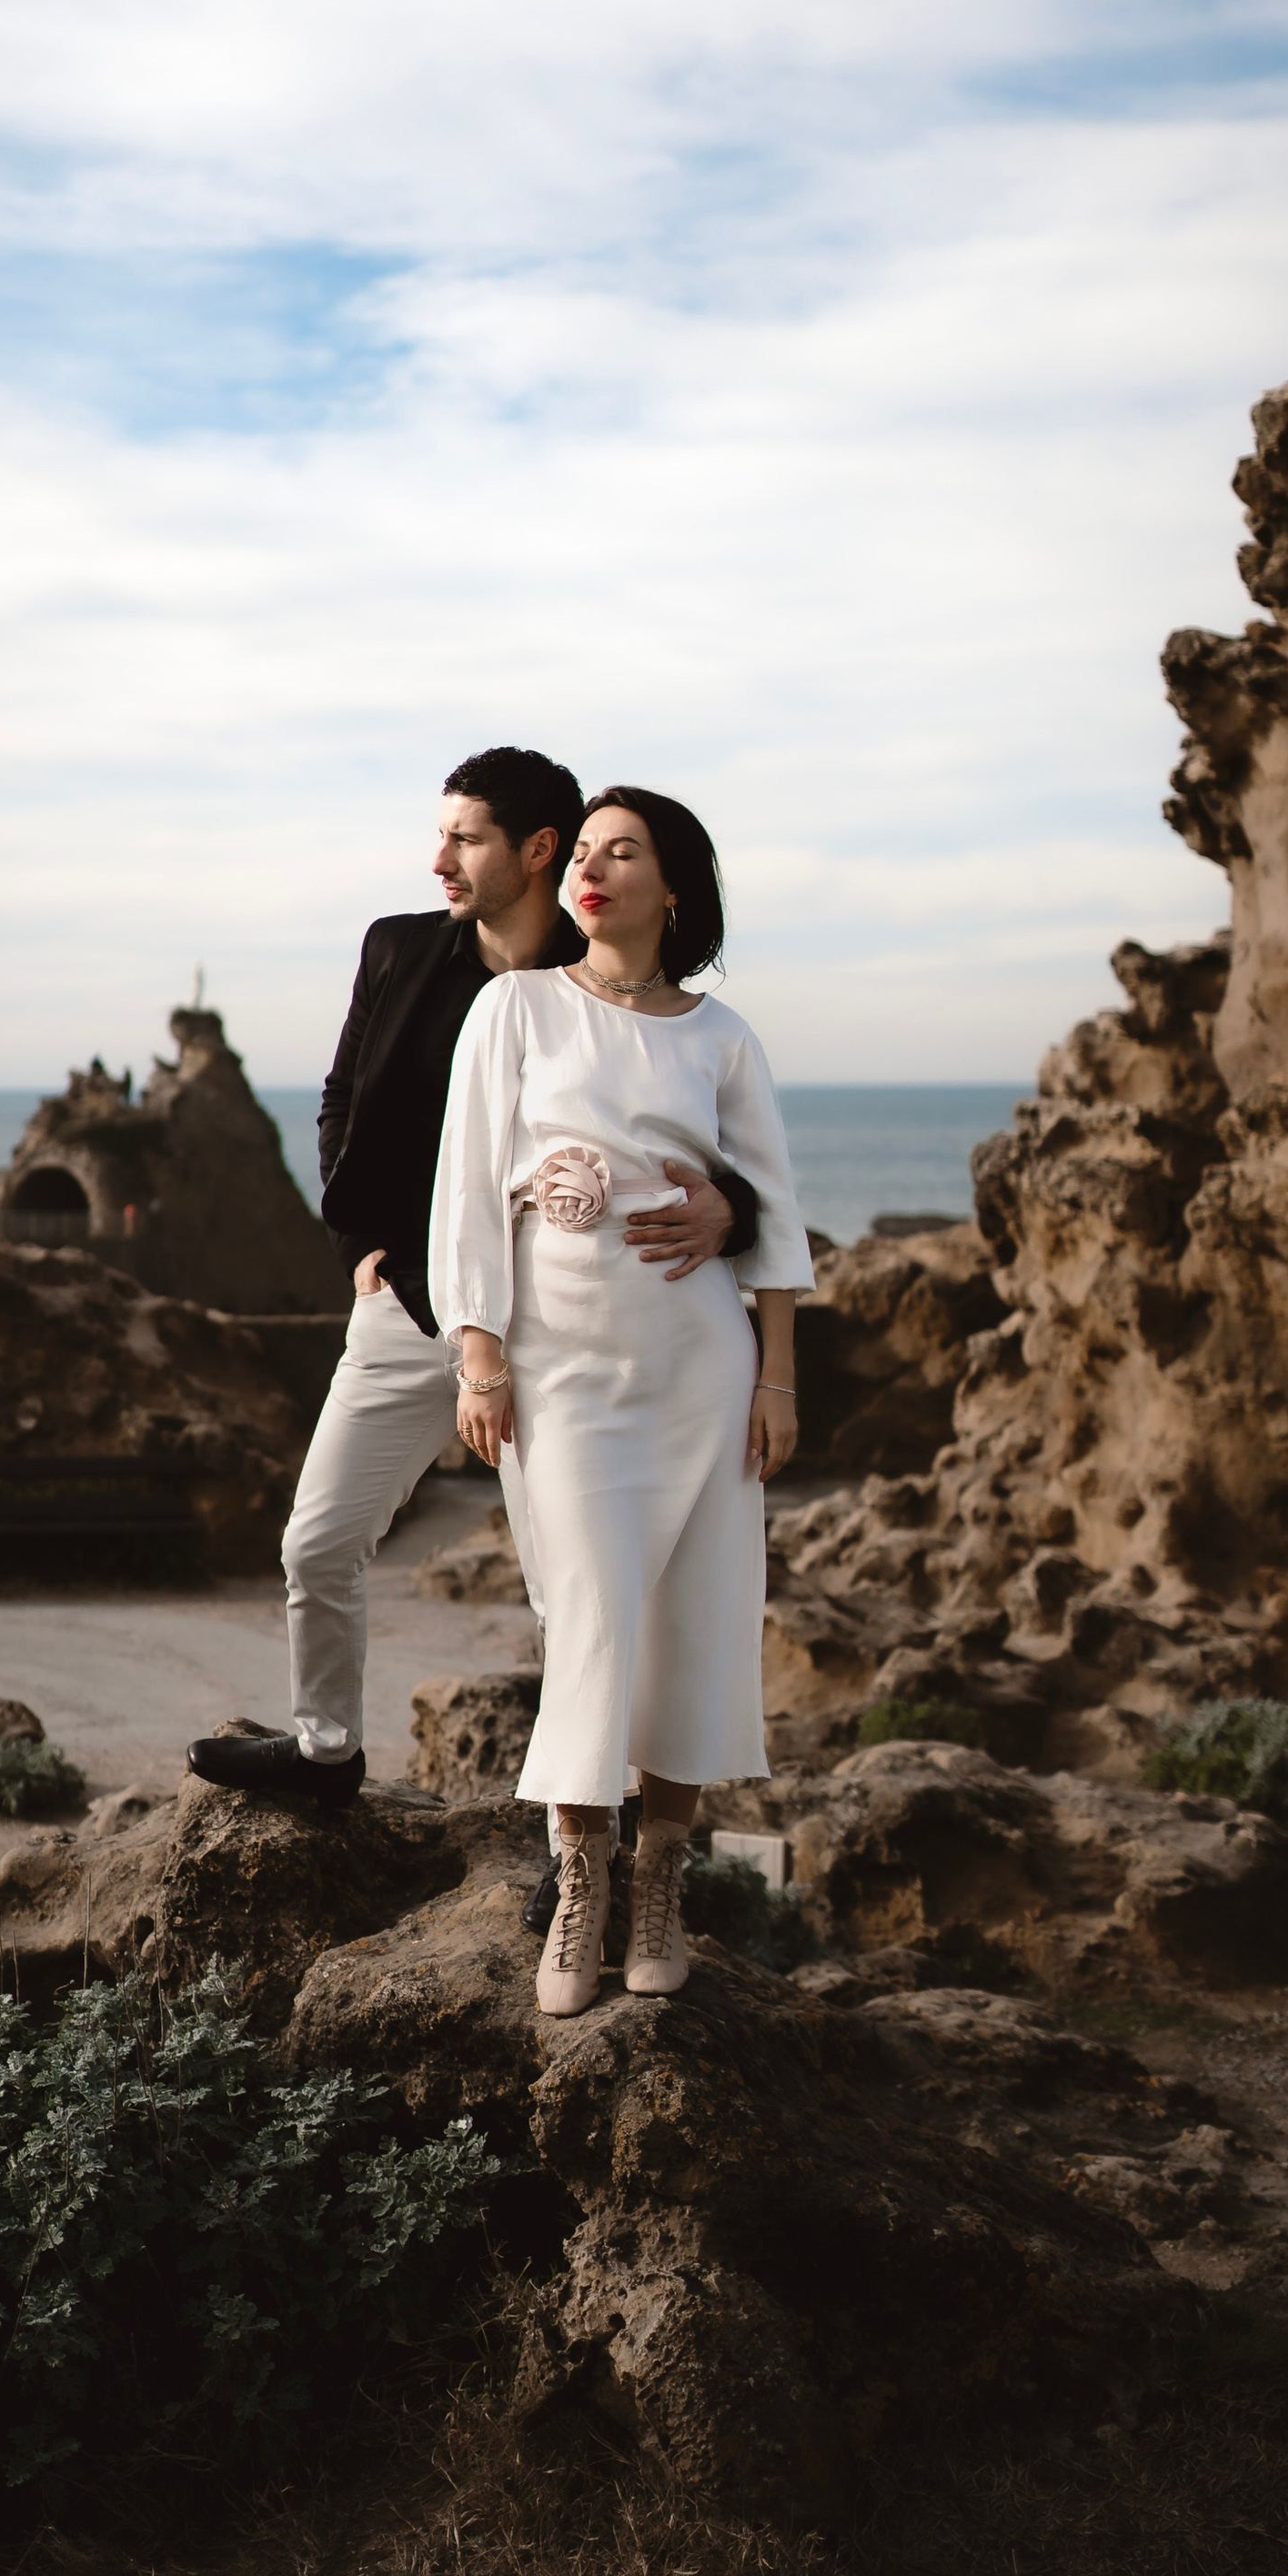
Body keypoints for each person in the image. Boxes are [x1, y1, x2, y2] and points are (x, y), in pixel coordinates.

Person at [186, 747, 756, 1817]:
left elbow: (673, 1132)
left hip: (561, 1325)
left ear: (535, 852)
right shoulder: (400, 952)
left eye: (467, 837)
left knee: (568, 1592)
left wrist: (737, 1210)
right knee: (317, 1541)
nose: (439, 857)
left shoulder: (601, 988)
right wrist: (361, 1245)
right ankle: (324, 1750)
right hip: (411, 1304)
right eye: (442, 833)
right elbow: (340, 1102)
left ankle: (576, 1835)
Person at [430, 786, 811, 2016]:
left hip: (700, 1369)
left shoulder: (722, 1038)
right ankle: (578, 1882)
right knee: (592, 1617)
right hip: (564, 1374)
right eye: (582, 853)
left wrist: (778, 1375)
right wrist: (480, 1360)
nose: (591, 871)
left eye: (621, 853)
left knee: (698, 1624)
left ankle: (659, 1884)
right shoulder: (518, 1007)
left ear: (673, 887)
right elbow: (469, 1192)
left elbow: (774, 1213)